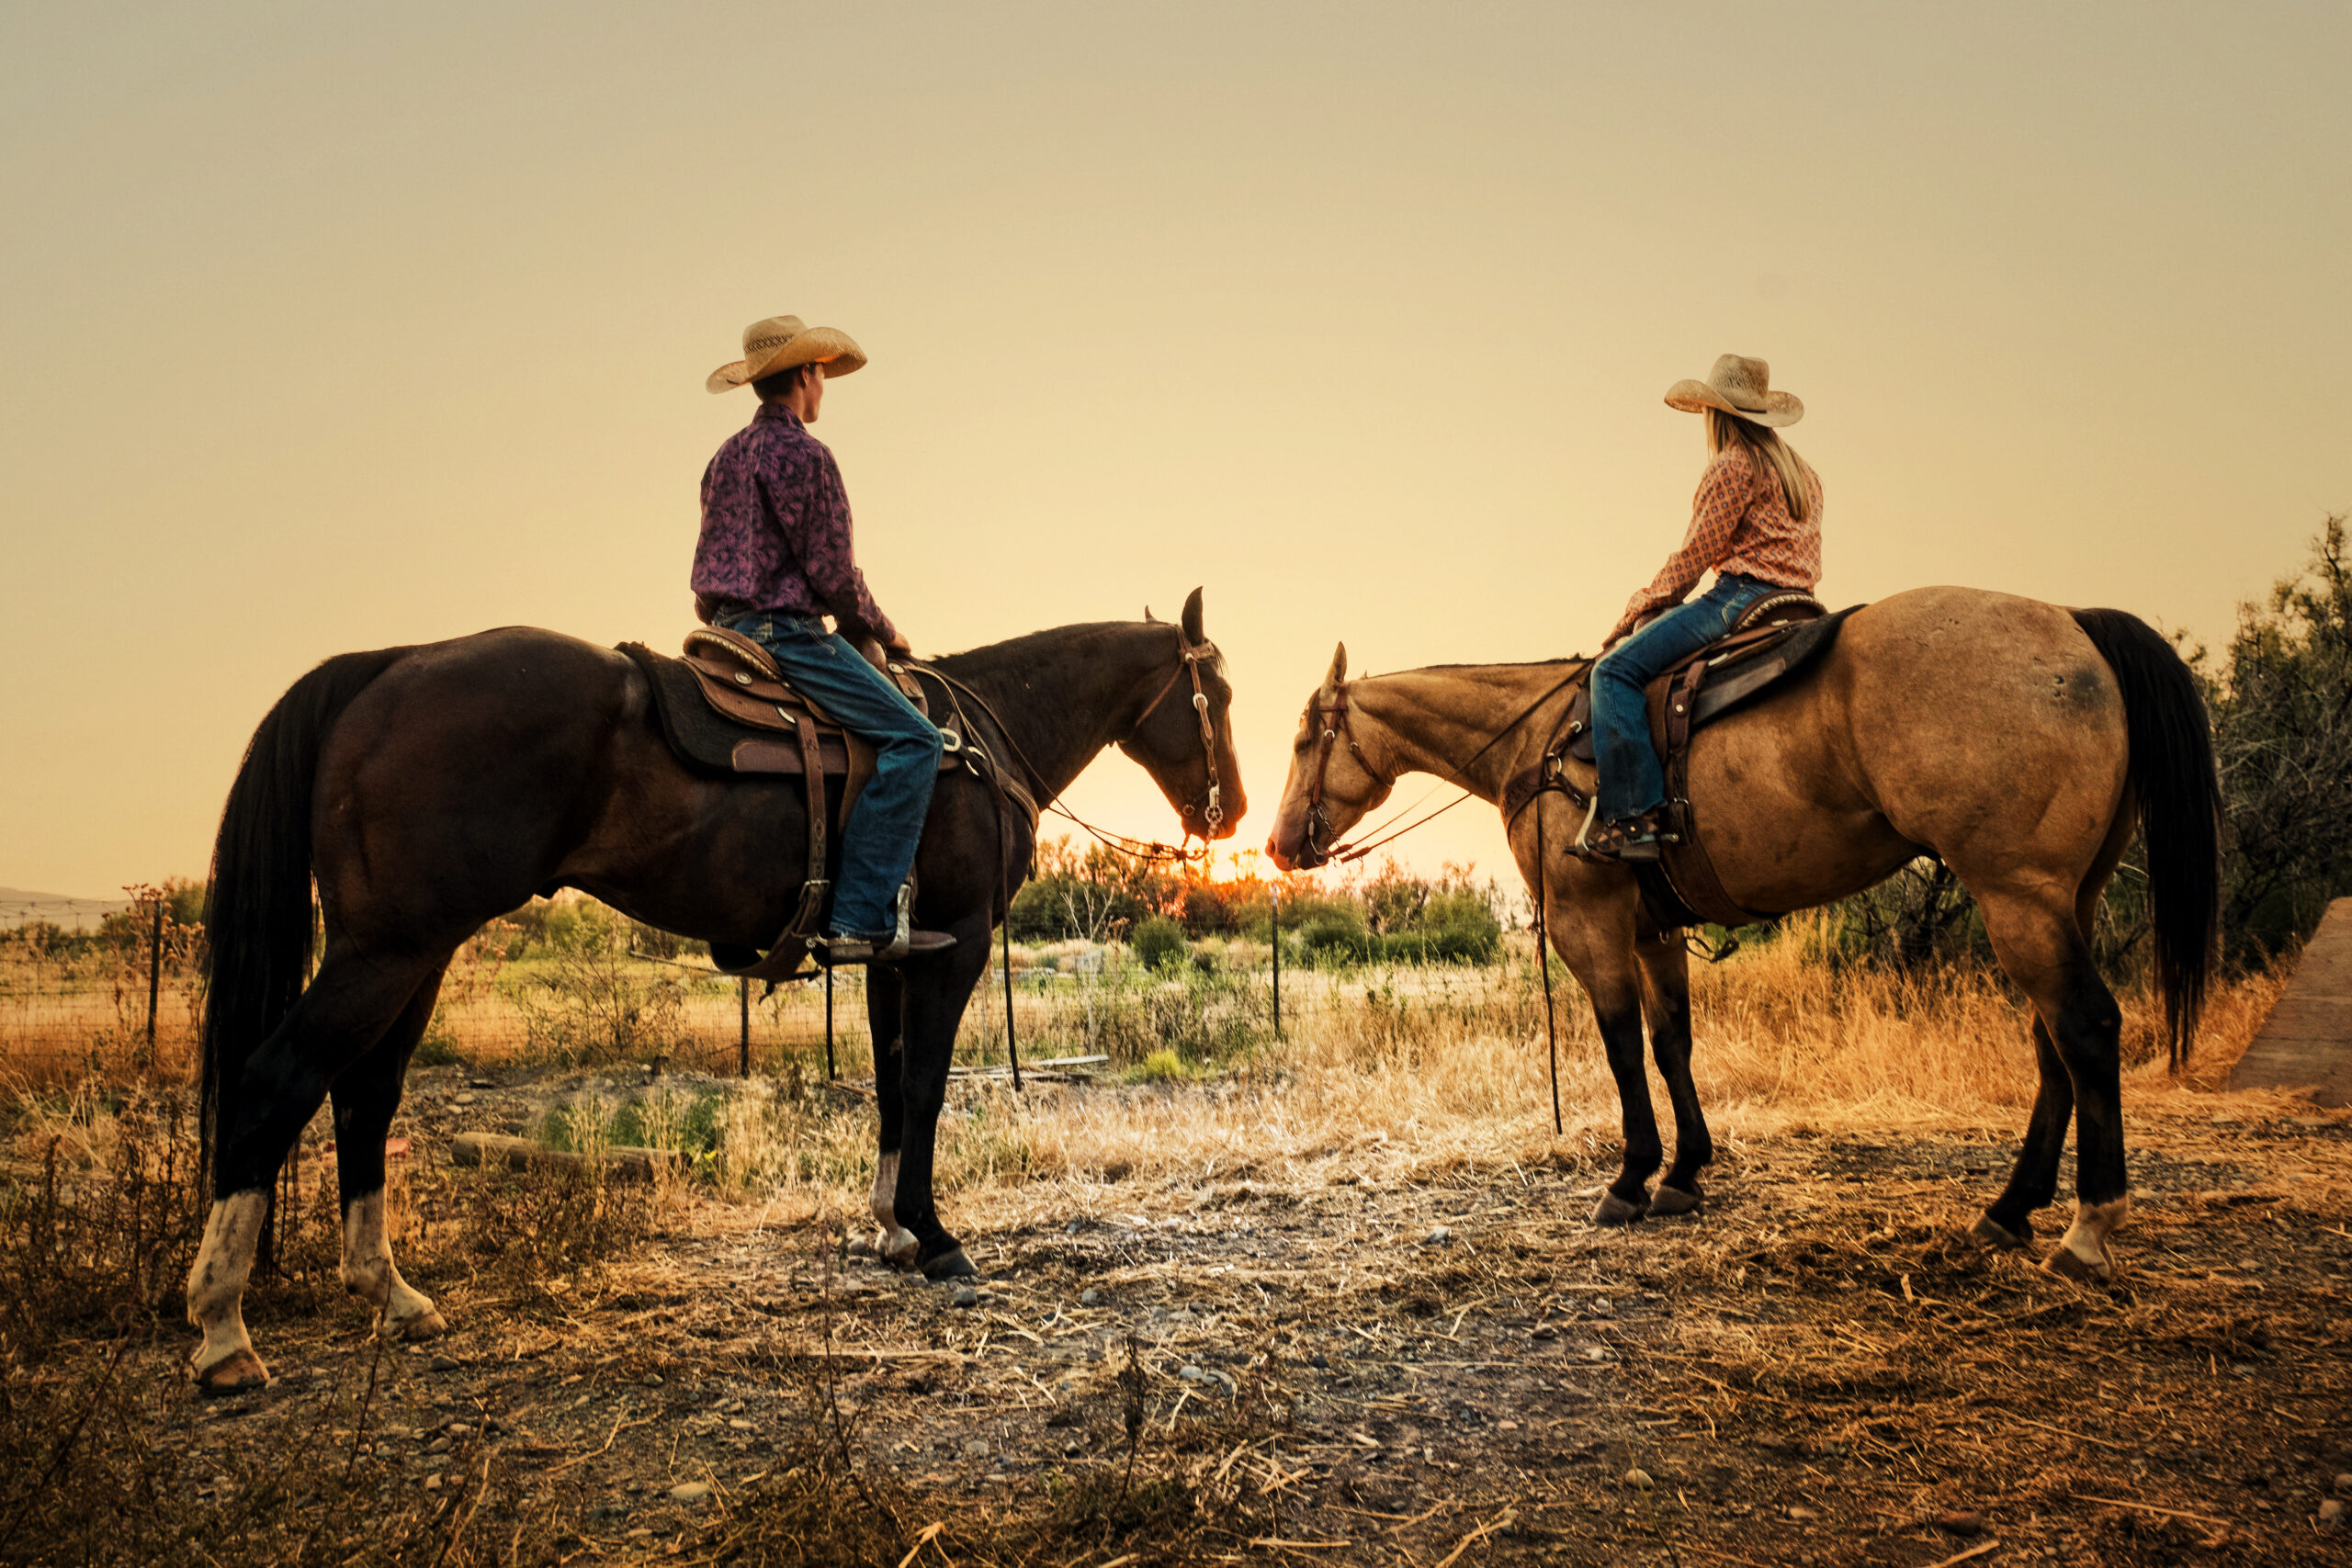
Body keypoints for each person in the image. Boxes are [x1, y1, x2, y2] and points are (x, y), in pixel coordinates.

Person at [691, 315, 951, 962]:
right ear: (805, 375)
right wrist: (883, 631)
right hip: (790, 639)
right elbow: (834, 573)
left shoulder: (722, 459)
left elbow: (705, 579)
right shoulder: (807, 456)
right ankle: (858, 917)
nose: (824, 387)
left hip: (723, 634)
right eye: (822, 376)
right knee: (915, 740)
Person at [1579, 354, 1824, 863]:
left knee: (1612, 674)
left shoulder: (1735, 464)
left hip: (1740, 597)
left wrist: (1636, 609)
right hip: (1799, 604)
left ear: (1716, 413)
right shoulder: (1803, 473)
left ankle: (1636, 821)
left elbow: (1694, 557)